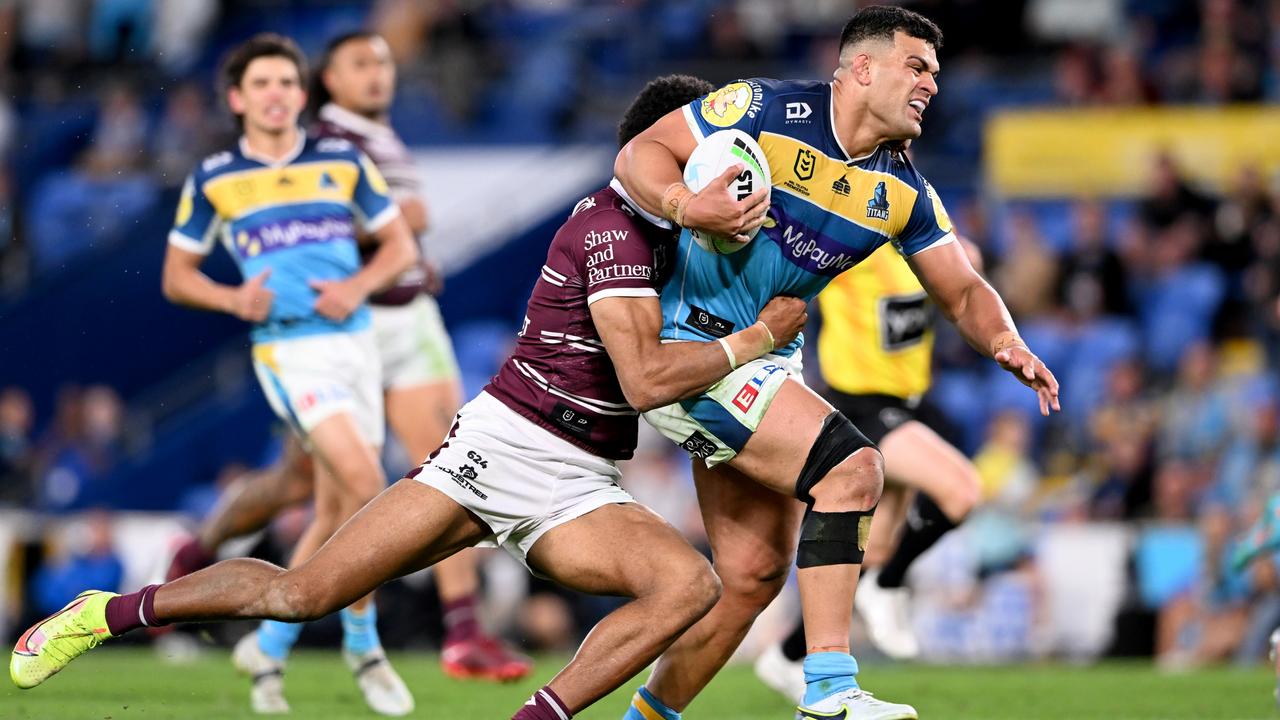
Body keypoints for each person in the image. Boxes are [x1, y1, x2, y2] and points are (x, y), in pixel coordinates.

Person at [9, 74, 810, 720]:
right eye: (699, 140)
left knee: (690, 586)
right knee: (300, 594)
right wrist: (758, 338)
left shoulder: (685, 235)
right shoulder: (613, 228)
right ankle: (105, 614)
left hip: (583, 481)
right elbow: (644, 379)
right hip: (501, 450)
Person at [614, 7, 1060, 719]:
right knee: (854, 471)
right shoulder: (763, 108)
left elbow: (963, 290)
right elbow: (641, 152)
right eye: (917, 67)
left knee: (753, 576)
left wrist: (1009, 343)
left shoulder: (903, 190)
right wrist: (684, 205)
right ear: (862, 69)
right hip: (692, 346)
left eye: (936, 74)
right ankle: (828, 693)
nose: (931, 85)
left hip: (766, 361)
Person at [163, 29, 532, 683]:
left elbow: (381, 235)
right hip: (356, 326)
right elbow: (330, 226)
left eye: (385, 64)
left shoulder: (373, 139)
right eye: (360, 65)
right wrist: (398, 235)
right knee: (425, 467)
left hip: (369, 321)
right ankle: (440, 630)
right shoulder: (332, 143)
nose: (378, 76)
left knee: (311, 487)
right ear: (324, 85)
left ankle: (229, 580)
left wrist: (411, 256)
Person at [163, 33, 418, 715]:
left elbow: (399, 246)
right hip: (289, 349)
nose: (276, 94)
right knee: (369, 486)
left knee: (337, 505)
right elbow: (176, 275)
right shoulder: (216, 176)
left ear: (302, 97)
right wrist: (231, 298)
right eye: (262, 84)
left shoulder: (342, 160)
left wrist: (358, 285)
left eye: (286, 83)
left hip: (355, 342)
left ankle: (269, 655)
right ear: (238, 98)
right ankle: (364, 646)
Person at [754, 237, 985, 702]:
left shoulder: (922, 236)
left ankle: (787, 654)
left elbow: (971, 262)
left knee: (869, 551)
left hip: (909, 404)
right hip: (860, 404)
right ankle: (891, 582)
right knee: (960, 490)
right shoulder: (854, 241)